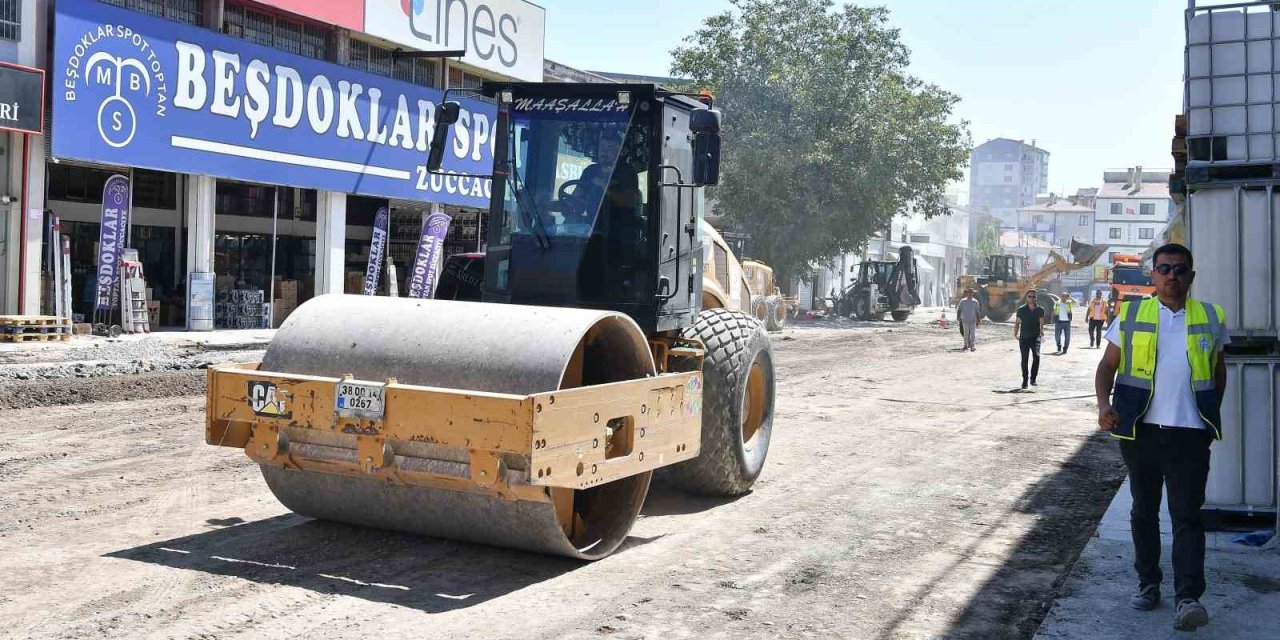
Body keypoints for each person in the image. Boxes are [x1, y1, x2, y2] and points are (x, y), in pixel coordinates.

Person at [1095, 243, 1229, 632]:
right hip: (1141, 434)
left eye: (1181, 269)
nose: (1173, 275)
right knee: (1143, 512)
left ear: (1191, 275)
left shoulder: (1211, 317)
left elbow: (1218, 373)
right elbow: (1107, 367)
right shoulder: (1133, 314)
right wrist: (1104, 405)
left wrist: (1207, 417)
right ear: (1153, 274)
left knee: (1187, 516)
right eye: (1165, 268)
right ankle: (1149, 583)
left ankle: (1188, 597)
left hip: (1190, 436)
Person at [1012, 289, 1046, 389]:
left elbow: (1041, 322)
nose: (1032, 298)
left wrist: (1041, 332)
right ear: (1026, 298)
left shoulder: (1040, 310)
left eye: (1033, 297)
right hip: (1024, 338)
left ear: (1036, 298)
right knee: (1024, 359)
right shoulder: (1021, 309)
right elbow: (1017, 323)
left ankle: (1033, 379)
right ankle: (1025, 380)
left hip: (1035, 338)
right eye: (1030, 296)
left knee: (1036, 356)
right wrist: (1015, 333)